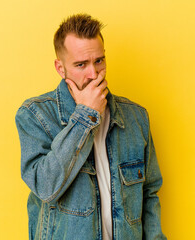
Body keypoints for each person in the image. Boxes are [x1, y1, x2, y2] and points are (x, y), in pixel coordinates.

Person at [15, 13, 166, 240]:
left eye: (99, 61)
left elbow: (150, 194)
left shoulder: (136, 117)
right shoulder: (34, 115)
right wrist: (86, 116)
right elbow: (46, 187)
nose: (93, 74)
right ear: (60, 67)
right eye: (80, 64)